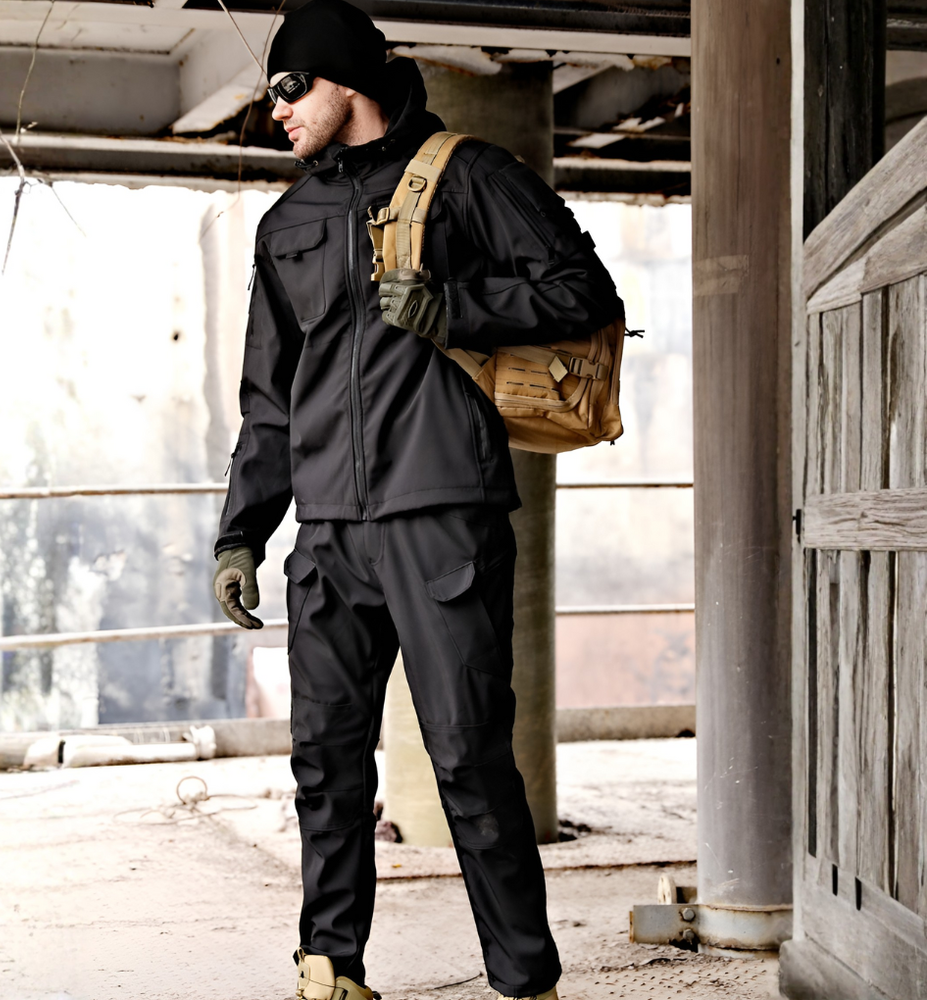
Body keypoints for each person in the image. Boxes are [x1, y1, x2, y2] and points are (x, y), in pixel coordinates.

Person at [211, 2, 623, 997]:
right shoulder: (286, 225)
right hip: (328, 537)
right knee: (325, 767)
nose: (277, 111)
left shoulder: (470, 178)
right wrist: (241, 535)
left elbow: (584, 292)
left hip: (444, 519)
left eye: (290, 88)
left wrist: (459, 308)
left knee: (470, 762)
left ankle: (525, 981)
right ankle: (330, 970)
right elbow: (269, 402)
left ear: (344, 80)